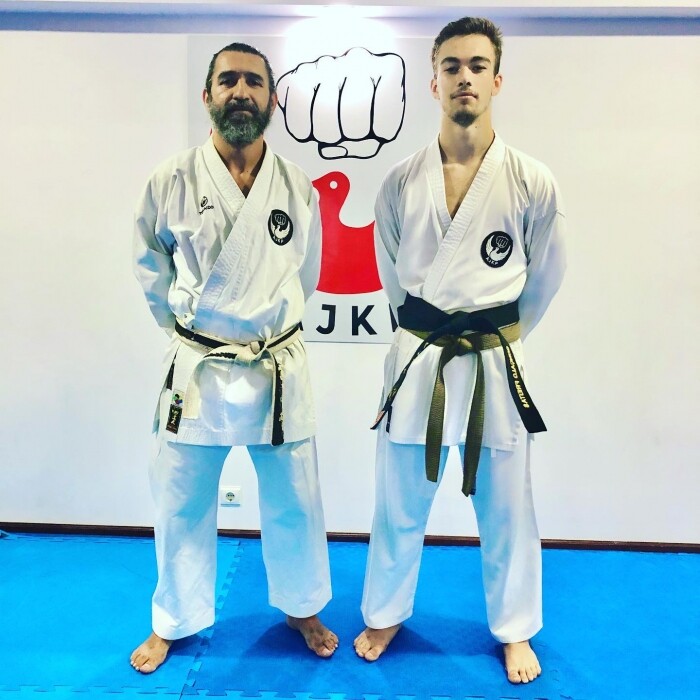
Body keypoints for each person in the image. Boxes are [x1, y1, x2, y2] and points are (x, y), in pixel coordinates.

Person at [353, 17, 566, 685]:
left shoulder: (531, 180)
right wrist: (429, 330)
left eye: (477, 66)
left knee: (507, 507)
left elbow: (546, 277)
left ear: (497, 81)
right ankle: (385, 612)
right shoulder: (400, 181)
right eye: (451, 66)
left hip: (495, 361)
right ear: (434, 82)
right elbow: (394, 280)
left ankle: (514, 628)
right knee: (399, 499)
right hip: (420, 356)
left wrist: (498, 335)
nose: (464, 77)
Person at [130, 42, 337, 674]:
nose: (240, 91)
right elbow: (150, 268)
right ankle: (173, 619)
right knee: (180, 498)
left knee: (296, 497)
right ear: (208, 96)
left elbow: (306, 274)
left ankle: (302, 607)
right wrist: (193, 331)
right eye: (228, 81)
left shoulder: (297, 186)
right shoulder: (171, 180)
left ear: (272, 99)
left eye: (253, 81)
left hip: (275, 365)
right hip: (201, 368)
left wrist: (263, 327)